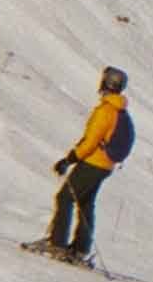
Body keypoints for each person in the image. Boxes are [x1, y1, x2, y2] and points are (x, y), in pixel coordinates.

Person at [40, 66, 133, 261]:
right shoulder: (120, 111)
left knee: (65, 198)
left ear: (106, 83)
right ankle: (81, 249)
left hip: (93, 162)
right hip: (106, 165)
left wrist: (69, 159)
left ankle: (57, 245)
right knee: (85, 203)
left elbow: (90, 142)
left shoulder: (106, 110)